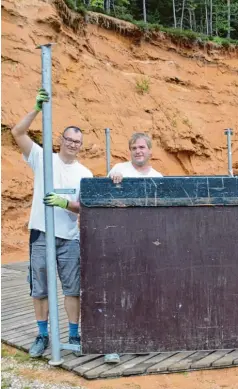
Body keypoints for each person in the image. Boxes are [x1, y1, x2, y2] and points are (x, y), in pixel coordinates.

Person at [11, 89, 93, 358]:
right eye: (68, 139)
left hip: (69, 238)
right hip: (41, 234)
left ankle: (73, 334)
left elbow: (84, 208)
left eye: (77, 141)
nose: (72, 144)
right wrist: (36, 108)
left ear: (81, 145)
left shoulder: (84, 173)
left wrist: (64, 203)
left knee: (72, 288)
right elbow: (17, 133)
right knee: (40, 289)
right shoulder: (43, 157)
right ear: (61, 140)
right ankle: (42, 335)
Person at [104, 132, 162, 364]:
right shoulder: (118, 169)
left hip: (146, 243)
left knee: (143, 292)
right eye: (134, 148)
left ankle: (138, 339)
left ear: (150, 150)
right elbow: (105, 199)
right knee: (117, 291)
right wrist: (112, 181)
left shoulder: (159, 177)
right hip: (120, 241)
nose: (138, 151)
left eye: (142, 147)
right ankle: (113, 344)